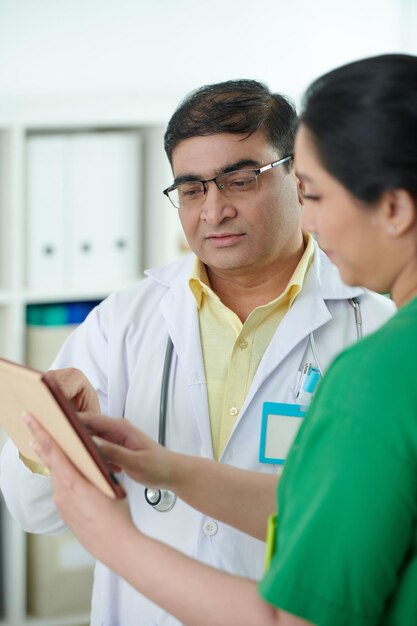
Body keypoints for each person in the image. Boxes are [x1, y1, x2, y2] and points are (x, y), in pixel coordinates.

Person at [0, 78, 395, 626]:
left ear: (297, 178)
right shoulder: (121, 323)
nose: (213, 211)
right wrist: (51, 440)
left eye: (239, 180)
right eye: (191, 190)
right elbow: (34, 512)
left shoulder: (374, 327)